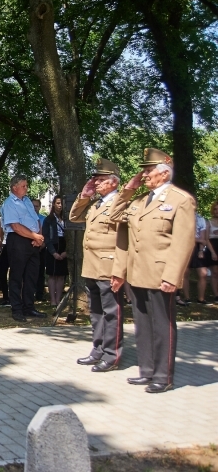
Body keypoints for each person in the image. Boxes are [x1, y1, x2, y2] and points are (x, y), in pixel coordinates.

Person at [110, 148, 195, 393]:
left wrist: (172, 276)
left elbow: (183, 242)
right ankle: (146, 371)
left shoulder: (180, 200)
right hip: (137, 274)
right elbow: (115, 216)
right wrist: (129, 188)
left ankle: (162, 375)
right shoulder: (138, 201)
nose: (144, 175)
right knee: (142, 324)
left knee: (162, 325)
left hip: (160, 274)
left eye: (148, 171)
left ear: (164, 173)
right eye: (144, 171)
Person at [69, 159, 127, 372]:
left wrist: (120, 269)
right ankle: (98, 349)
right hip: (92, 265)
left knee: (112, 312)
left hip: (109, 265)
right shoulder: (96, 203)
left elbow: (124, 239)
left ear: (113, 182)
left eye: (101, 180)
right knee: (96, 311)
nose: (96, 183)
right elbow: (74, 216)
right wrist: (85, 195)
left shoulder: (120, 202)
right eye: (95, 179)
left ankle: (112, 355)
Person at [2, 175, 46, 322]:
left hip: (33, 240)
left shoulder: (27, 201)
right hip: (18, 240)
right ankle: (17, 309)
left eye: (27, 186)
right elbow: (15, 226)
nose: (26, 188)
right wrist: (34, 236)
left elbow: (36, 219)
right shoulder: (9, 203)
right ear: (15, 187)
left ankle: (29, 307)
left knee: (31, 275)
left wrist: (38, 236)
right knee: (17, 276)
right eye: (24, 186)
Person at [180, 202, 211, 305]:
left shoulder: (201, 219)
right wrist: (197, 240)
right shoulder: (181, 218)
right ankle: (187, 298)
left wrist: (201, 250)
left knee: (203, 274)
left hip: (198, 249)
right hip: (184, 247)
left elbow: (203, 239)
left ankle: (201, 299)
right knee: (186, 273)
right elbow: (182, 237)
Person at [42, 195, 68, 307]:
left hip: (64, 246)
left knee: (61, 275)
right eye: (58, 203)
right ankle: (52, 299)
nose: (60, 205)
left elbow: (71, 236)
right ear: (54, 204)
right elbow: (46, 237)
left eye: (61, 203)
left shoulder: (67, 218)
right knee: (52, 275)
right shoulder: (49, 219)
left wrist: (67, 251)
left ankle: (58, 299)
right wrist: (53, 252)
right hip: (53, 247)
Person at [32, 198, 47, 301]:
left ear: (39, 207)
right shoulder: (26, 218)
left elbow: (46, 234)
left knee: (40, 272)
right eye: (33, 206)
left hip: (41, 249)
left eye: (36, 206)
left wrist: (43, 244)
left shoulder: (44, 219)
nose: (34, 208)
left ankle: (39, 294)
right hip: (30, 248)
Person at [206, 200, 218, 301]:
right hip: (213, 247)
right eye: (215, 209)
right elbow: (206, 239)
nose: (216, 211)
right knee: (215, 272)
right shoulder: (208, 222)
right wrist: (213, 252)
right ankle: (216, 295)